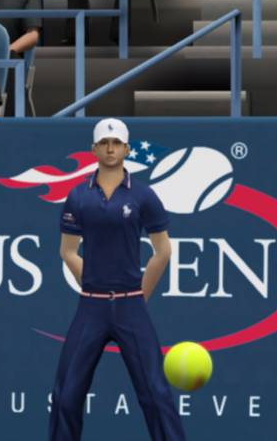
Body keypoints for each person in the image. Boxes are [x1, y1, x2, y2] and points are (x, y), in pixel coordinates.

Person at [50, 118, 186, 441]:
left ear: (126, 149)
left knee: (156, 394)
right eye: (104, 143)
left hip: (131, 308)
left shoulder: (144, 195)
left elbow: (163, 251)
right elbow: (67, 251)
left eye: (116, 143)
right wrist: (94, 284)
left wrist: (138, 296)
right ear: (93, 149)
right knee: (66, 395)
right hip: (90, 308)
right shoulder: (77, 196)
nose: (110, 149)